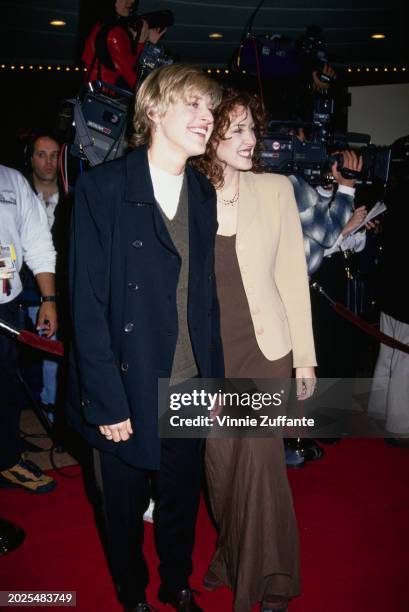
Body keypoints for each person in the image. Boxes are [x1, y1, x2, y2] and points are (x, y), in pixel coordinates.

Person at [67, 64, 223, 612]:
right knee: (123, 511)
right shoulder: (104, 187)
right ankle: (132, 597)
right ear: (154, 109)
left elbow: (207, 303)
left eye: (210, 107)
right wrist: (106, 399)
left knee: (181, 502)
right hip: (125, 386)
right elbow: (85, 306)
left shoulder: (203, 194)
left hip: (187, 384)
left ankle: (176, 584)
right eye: (194, 105)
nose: (207, 117)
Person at [192, 89, 317, 612]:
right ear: (209, 135)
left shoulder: (275, 189)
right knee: (221, 471)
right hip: (209, 356)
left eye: (251, 129)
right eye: (235, 129)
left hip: (265, 347)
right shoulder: (185, 194)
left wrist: (304, 357)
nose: (249, 140)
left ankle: (272, 580)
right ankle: (232, 554)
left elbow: (292, 275)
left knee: (261, 465)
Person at [0, 163, 57, 494]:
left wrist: (48, 299)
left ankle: (7, 459)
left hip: (7, 304)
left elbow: (37, 240)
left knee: (6, 386)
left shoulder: (12, 180)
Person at [22, 134, 63, 420]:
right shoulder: (17, 193)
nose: (49, 162)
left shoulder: (74, 195)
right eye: (41, 154)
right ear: (30, 157)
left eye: (54, 154)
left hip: (54, 293)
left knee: (53, 352)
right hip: (19, 290)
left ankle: (51, 411)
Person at [82, 0, 167, 92]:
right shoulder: (113, 33)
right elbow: (138, 84)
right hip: (104, 98)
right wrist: (148, 46)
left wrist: (137, 44)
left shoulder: (101, 27)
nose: (132, 1)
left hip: (98, 97)